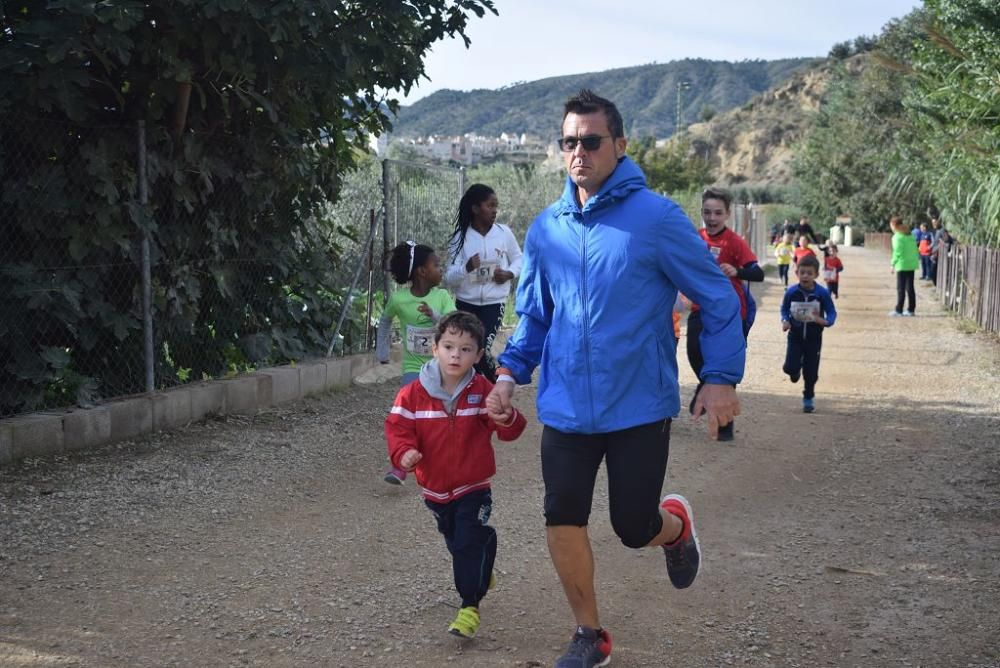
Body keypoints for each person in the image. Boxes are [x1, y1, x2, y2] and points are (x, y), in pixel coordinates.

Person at [486, 89, 745, 668]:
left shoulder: (656, 219)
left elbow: (717, 297)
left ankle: (674, 530)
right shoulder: (546, 228)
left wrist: (721, 376)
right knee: (562, 512)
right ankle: (589, 634)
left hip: (638, 403)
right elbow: (534, 316)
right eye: (569, 141)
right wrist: (507, 375)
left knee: (632, 525)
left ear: (620, 146)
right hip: (567, 404)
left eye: (591, 140)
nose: (579, 151)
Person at [384, 311, 526, 638]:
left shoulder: (482, 389)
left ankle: (469, 607)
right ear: (435, 348)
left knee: (465, 543)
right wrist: (403, 452)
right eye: (448, 346)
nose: (455, 355)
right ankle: (483, 553)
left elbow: (508, 428)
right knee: (459, 541)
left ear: (478, 355)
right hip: (434, 491)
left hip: (473, 486)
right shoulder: (412, 393)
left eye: (465, 349)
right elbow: (397, 428)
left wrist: (506, 417)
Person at [686, 186, 763, 442]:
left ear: (727, 214)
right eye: (707, 212)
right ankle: (703, 385)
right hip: (701, 308)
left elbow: (757, 272)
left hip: (732, 313)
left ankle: (725, 427)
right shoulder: (695, 238)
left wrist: (737, 271)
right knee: (695, 353)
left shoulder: (734, 242)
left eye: (718, 213)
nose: (712, 218)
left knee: (725, 364)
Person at [376, 241, 456, 484]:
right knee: (405, 416)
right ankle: (398, 466)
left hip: (441, 368)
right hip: (413, 368)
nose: (441, 270)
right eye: (436, 265)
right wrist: (382, 351)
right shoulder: (399, 300)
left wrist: (434, 316)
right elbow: (385, 321)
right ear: (422, 271)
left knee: (443, 416)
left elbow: (454, 325)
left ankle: (444, 464)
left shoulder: (442, 296)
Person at [445, 184, 523, 383]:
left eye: (496, 206)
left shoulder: (504, 233)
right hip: (466, 303)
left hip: (493, 303)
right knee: (468, 350)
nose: (495, 210)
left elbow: (520, 259)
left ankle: (498, 385)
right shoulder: (459, 238)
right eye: (490, 205)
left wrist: (508, 274)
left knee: (480, 349)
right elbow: (448, 277)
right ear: (475, 208)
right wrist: (467, 268)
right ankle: (477, 390)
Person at [780, 255, 837, 413]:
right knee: (789, 367)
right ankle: (794, 371)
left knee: (811, 371)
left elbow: (831, 312)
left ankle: (808, 397)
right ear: (797, 273)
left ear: (816, 275)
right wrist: (785, 320)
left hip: (813, 338)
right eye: (802, 272)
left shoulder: (822, 293)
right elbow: (784, 309)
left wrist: (826, 321)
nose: (805, 276)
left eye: (809, 273)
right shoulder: (792, 292)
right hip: (795, 335)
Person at [889, 216, 919, 316]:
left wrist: (892, 264)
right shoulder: (909, 235)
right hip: (911, 264)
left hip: (902, 264)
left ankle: (899, 310)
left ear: (894, 225)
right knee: (910, 288)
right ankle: (911, 309)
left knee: (900, 288)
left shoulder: (897, 237)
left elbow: (897, 252)